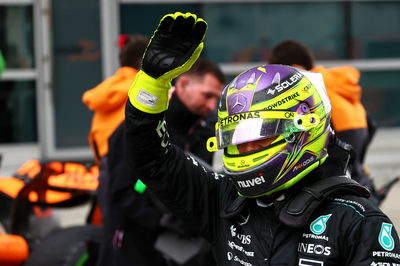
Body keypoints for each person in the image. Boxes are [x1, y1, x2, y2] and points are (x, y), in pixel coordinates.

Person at [124, 12, 400, 265]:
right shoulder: (224, 200)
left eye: (260, 137)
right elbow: (153, 160)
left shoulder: (359, 223)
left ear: (304, 130)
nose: (248, 149)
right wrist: (152, 83)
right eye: (237, 139)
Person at [268, 40, 398, 204]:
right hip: (356, 140)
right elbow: (371, 124)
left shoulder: (308, 88)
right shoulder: (333, 81)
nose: (278, 82)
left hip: (338, 142)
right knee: (353, 178)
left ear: (296, 68)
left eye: (280, 73)